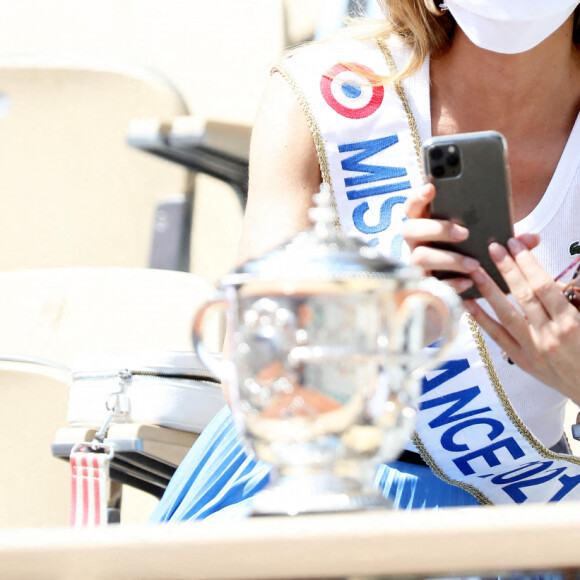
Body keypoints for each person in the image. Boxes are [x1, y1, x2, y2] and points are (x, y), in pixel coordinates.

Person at [151, 0, 580, 522]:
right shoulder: (326, 90)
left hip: (506, 507)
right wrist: (391, 308)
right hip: (296, 485)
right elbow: (255, 373)